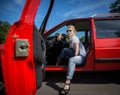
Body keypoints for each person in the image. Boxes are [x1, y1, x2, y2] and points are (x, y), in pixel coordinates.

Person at [56, 25, 86, 95]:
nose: (68, 32)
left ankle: (67, 82)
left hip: (81, 57)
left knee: (72, 60)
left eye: (70, 30)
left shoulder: (75, 38)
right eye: (67, 31)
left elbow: (77, 50)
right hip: (77, 55)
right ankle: (58, 61)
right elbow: (66, 36)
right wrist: (60, 35)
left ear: (74, 31)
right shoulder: (71, 38)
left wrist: (73, 58)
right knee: (65, 49)